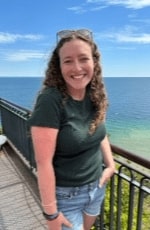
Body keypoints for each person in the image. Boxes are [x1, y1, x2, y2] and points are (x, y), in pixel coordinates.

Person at [28, 29, 115, 230]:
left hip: (96, 186)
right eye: (67, 61)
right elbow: (43, 163)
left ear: (94, 62)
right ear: (59, 67)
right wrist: (51, 213)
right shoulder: (51, 100)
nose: (77, 68)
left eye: (83, 59)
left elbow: (99, 131)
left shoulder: (94, 94)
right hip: (66, 196)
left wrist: (110, 166)